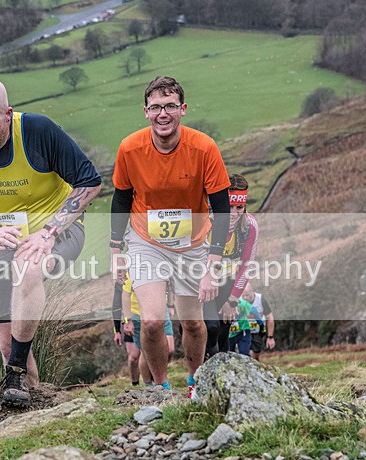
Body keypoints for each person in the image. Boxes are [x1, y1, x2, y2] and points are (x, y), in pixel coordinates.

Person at [0, 76, 102, 407]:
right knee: (7, 342)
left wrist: (48, 232)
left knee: (29, 268)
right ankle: (30, 400)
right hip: (3, 238)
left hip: (58, 230)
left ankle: (14, 373)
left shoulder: (39, 131)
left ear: (8, 113)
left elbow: (90, 182)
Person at [110, 75, 231, 397]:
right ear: (146, 112)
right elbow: (121, 198)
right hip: (145, 242)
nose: (163, 114)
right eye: (155, 108)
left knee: (192, 323)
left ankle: (194, 382)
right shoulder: (130, 148)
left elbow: (221, 207)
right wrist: (115, 249)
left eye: (170, 106)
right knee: (151, 322)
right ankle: (161, 387)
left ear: (183, 109)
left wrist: (213, 264)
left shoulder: (204, 147)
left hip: (192, 244)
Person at [203, 173, 259, 359]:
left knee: (222, 333)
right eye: (229, 207)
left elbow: (246, 266)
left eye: (239, 207)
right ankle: (200, 372)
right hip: (203, 280)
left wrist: (232, 301)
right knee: (210, 328)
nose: (234, 213)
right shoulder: (206, 221)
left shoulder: (249, 226)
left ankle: (224, 373)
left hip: (228, 284)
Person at [121, 272, 174, 386]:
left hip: (161, 309)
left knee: (170, 349)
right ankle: (149, 385)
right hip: (138, 314)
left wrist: (170, 305)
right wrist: (128, 320)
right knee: (146, 353)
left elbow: (169, 285)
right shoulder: (134, 269)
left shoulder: (161, 266)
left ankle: (159, 377)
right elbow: (126, 295)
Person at [245, 286, 275, 360]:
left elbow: (269, 317)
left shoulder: (261, 299)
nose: (245, 298)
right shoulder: (238, 299)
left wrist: (270, 337)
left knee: (256, 354)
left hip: (258, 331)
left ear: (252, 292)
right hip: (243, 331)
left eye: (247, 295)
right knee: (245, 352)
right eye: (243, 296)